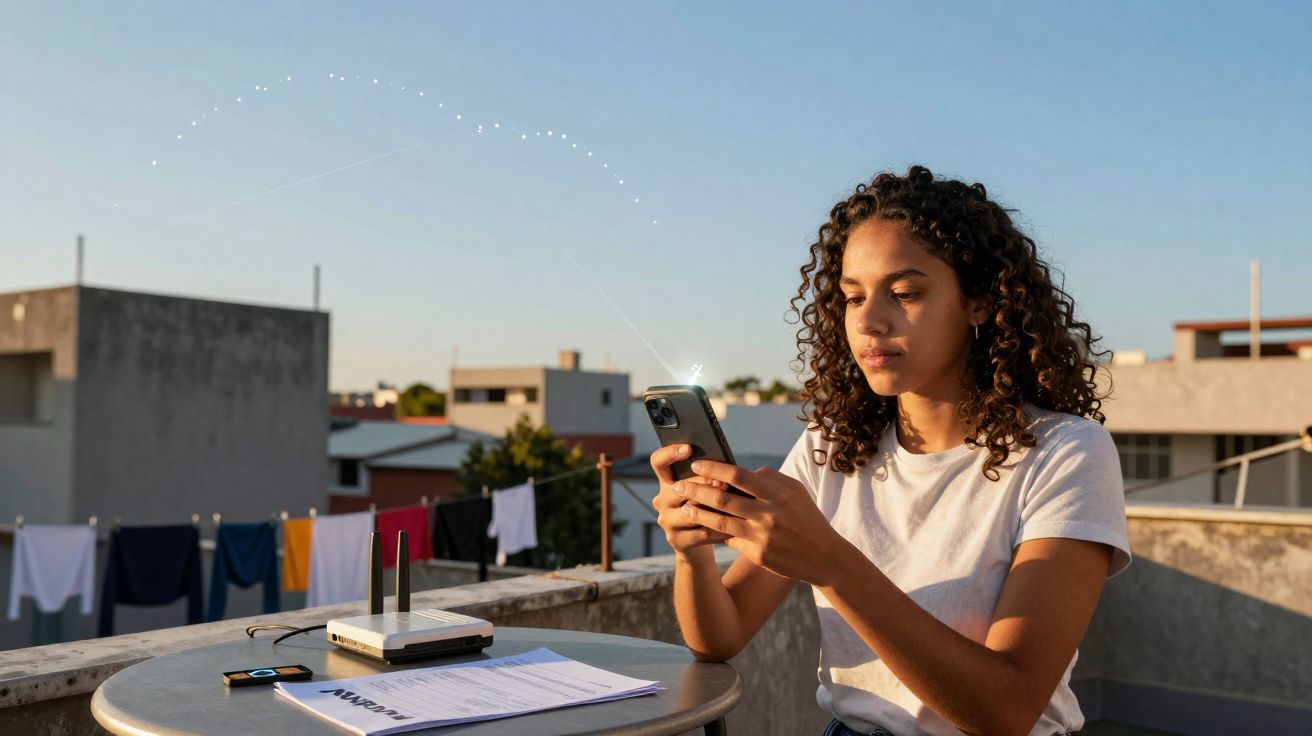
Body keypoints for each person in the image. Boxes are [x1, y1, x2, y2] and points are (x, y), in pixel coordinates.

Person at [650, 165, 1131, 736]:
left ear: (979, 302)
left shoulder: (1066, 452)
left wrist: (832, 565)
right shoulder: (832, 445)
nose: (870, 321)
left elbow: (1007, 710)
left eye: (905, 293)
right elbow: (721, 636)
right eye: (853, 297)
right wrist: (692, 553)